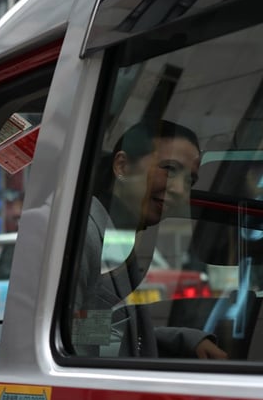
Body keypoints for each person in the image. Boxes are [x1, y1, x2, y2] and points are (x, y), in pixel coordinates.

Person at [74, 119, 227, 359]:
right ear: (122, 166)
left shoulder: (118, 239)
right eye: (169, 169)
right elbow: (65, 350)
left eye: (189, 181)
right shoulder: (82, 237)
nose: (179, 189)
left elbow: (89, 330)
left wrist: (183, 341)